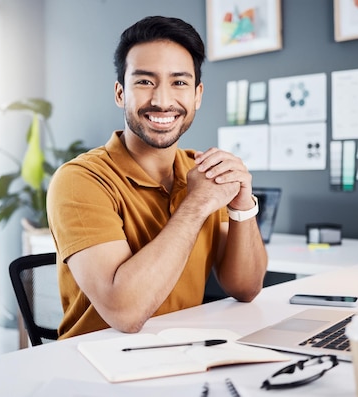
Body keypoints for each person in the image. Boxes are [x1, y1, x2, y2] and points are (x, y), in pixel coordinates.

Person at [47, 15, 267, 339]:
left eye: (179, 82)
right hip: (97, 367)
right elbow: (125, 312)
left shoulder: (200, 171)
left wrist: (242, 205)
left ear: (198, 95)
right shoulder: (80, 180)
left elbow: (246, 287)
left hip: (182, 354)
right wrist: (195, 206)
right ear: (121, 93)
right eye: (145, 81)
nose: (163, 101)